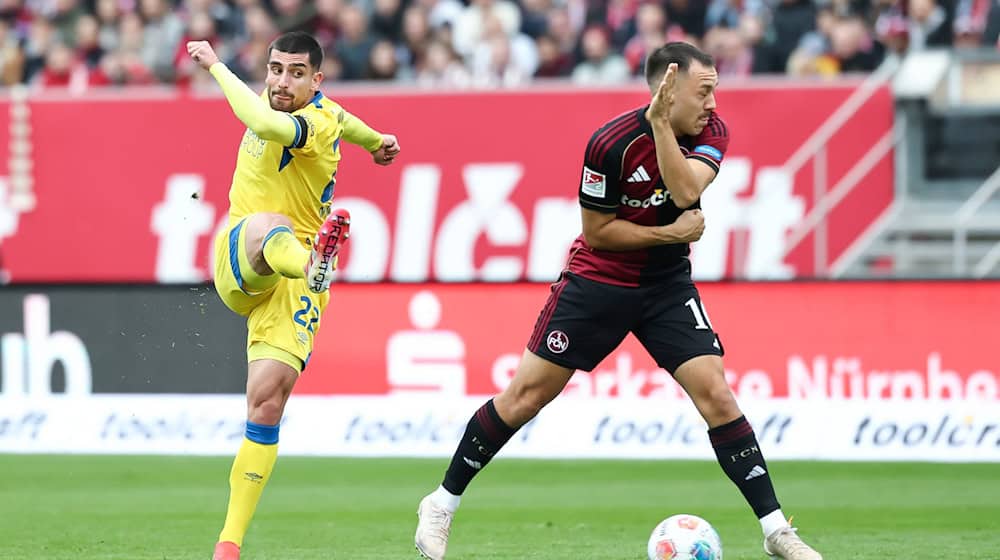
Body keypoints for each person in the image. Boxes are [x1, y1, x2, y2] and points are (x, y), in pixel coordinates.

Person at [413, 42, 822, 560]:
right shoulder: (609, 143)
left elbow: (684, 191)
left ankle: (774, 530)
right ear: (666, 89)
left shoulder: (710, 132)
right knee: (525, 398)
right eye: (705, 91)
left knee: (716, 394)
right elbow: (599, 233)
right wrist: (668, 235)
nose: (714, 104)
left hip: (666, 286)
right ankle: (441, 503)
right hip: (598, 282)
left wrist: (662, 132)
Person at [186, 31, 400, 560]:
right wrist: (377, 142)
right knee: (269, 224)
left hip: (295, 287)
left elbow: (271, 123)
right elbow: (344, 121)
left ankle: (228, 544)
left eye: (296, 73)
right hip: (246, 257)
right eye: (276, 69)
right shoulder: (316, 110)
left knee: (266, 404)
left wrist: (214, 65)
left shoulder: (309, 121)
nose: (282, 81)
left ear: (316, 81)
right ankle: (314, 264)